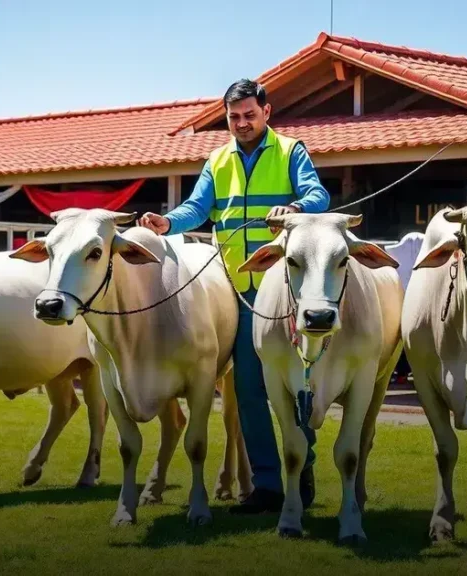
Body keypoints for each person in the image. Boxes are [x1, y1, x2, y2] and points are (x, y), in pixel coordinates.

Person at [139, 78, 330, 514]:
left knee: (297, 388)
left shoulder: (290, 150)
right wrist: (168, 223)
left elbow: (318, 195)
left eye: (248, 115)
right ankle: (266, 486)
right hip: (239, 295)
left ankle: (304, 466)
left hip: (284, 293)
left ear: (267, 112)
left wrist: (296, 209)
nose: (241, 124)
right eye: (233, 117)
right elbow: (196, 207)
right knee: (247, 392)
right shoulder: (217, 159)